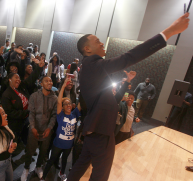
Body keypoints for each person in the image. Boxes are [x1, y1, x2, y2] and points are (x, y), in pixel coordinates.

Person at [67, 13, 190, 181]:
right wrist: (169, 32)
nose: (102, 42)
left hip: (95, 128)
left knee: (81, 165)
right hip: (101, 130)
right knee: (100, 174)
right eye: (97, 41)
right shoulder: (93, 65)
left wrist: (126, 82)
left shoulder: (92, 68)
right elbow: (129, 57)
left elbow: (109, 101)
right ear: (87, 49)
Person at [41, 78, 81, 181]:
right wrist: (63, 86)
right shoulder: (60, 115)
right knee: (51, 160)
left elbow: (82, 102)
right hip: (58, 144)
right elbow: (59, 102)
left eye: (69, 103)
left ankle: (62, 173)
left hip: (69, 145)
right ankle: (43, 177)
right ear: (62, 107)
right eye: (65, 104)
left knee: (64, 161)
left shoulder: (75, 114)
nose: (68, 105)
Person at [21, 76, 57, 181]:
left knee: (44, 150)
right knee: (30, 150)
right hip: (34, 128)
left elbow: (54, 115)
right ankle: (26, 168)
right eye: (46, 81)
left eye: (50, 80)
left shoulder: (54, 98)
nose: (49, 82)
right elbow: (31, 113)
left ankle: (38, 166)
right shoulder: (34, 96)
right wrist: (32, 127)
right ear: (41, 84)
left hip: (47, 129)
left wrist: (49, 128)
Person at [1, 58, 44, 140]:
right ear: (10, 80)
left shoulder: (21, 86)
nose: (18, 80)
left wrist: (39, 67)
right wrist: (27, 111)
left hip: (26, 119)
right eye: (16, 78)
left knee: (25, 137)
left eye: (19, 78)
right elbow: (10, 113)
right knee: (14, 140)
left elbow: (31, 78)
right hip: (15, 123)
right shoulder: (6, 94)